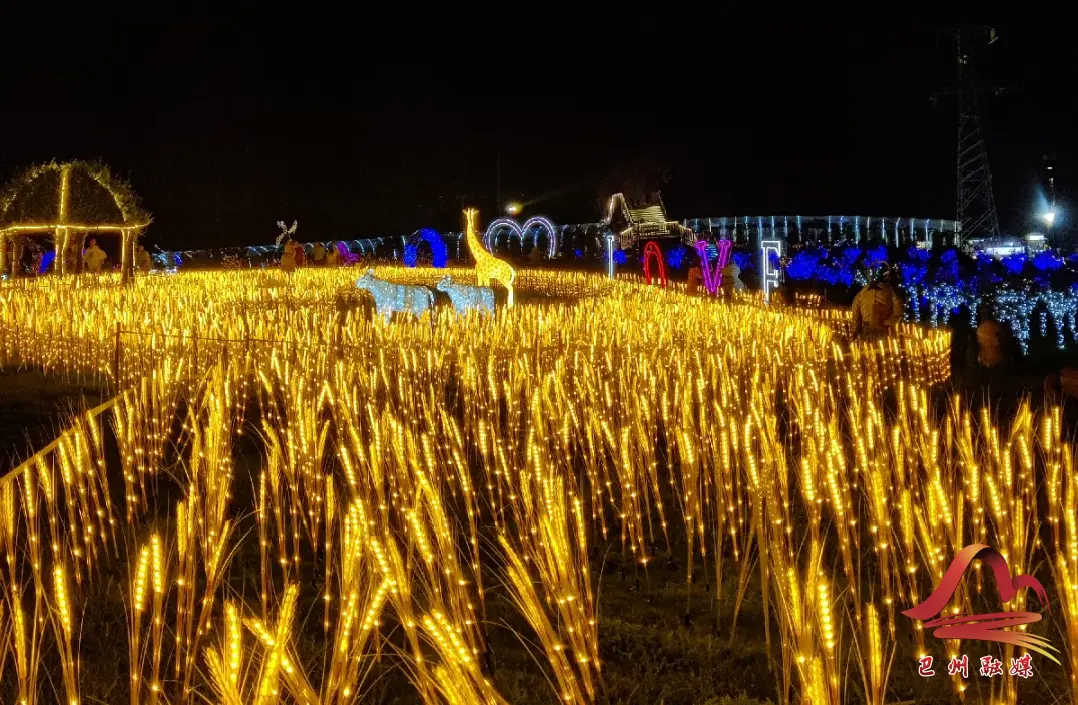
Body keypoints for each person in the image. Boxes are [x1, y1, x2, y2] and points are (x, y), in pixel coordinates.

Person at [850, 267, 904, 340]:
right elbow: (855, 315)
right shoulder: (862, 293)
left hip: (883, 330)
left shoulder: (890, 291)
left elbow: (898, 312)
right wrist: (854, 333)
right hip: (867, 331)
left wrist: (886, 323)